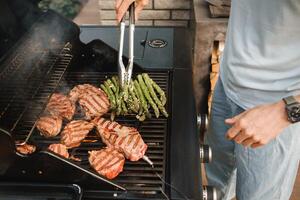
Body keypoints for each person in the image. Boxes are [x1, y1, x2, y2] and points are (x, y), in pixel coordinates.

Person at [115, 0, 300, 199]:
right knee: (217, 180)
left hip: (275, 110)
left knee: (258, 195)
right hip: (229, 81)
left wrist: (285, 112)